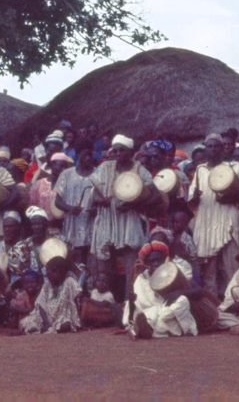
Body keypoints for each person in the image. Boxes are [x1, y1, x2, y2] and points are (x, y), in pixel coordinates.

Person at [189, 133, 239, 297]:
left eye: (217, 146)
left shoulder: (235, 168)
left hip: (229, 221)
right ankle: (212, 308)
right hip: (206, 224)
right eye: (210, 146)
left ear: (223, 149)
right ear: (206, 149)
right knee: (209, 273)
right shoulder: (200, 170)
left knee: (232, 268)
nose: (213, 149)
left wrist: (230, 197)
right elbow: (192, 200)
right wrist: (194, 197)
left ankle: (236, 303)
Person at [89, 135, 153, 288]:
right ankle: (105, 301)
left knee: (133, 266)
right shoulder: (105, 167)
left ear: (130, 152)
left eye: (121, 150)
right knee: (104, 266)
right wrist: (101, 200)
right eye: (115, 150)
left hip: (129, 220)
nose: (117, 154)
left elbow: (152, 194)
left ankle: (129, 302)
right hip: (107, 220)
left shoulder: (140, 170)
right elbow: (94, 188)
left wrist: (133, 204)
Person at [124, 239, 204, 339]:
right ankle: (151, 329)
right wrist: (132, 302)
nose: (156, 264)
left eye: (159, 260)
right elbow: (140, 306)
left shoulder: (173, 270)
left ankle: (151, 330)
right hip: (153, 313)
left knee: (182, 302)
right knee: (151, 316)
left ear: (164, 260)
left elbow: (199, 291)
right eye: (153, 261)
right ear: (147, 264)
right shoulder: (141, 279)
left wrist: (179, 292)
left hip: (172, 312)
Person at [54, 139, 97, 268]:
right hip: (72, 228)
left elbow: (105, 199)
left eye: (90, 154)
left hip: (93, 227)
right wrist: (70, 208)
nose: (88, 158)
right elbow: (57, 201)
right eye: (84, 155)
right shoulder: (66, 175)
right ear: (77, 155)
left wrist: (97, 209)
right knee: (75, 263)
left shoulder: (99, 174)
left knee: (91, 264)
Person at [19, 254, 81, 334]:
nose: (47, 275)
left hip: (64, 315)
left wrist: (79, 318)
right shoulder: (47, 285)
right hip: (46, 317)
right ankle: (47, 329)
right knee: (25, 323)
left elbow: (77, 299)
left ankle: (45, 330)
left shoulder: (69, 282)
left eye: (49, 273)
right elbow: (40, 304)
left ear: (59, 272)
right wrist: (45, 322)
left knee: (65, 325)